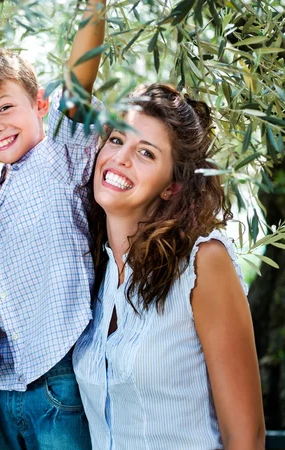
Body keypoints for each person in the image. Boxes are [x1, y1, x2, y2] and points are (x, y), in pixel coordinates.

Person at [72, 83, 265, 449]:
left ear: (172, 187)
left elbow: (247, 437)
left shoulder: (203, 263)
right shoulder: (96, 267)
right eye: (116, 140)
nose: (121, 159)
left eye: (145, 153)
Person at [0, 1, 106, 448]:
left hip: (58, 375)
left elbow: (81, 71)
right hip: (1, 384)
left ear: (40, 104)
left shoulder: (58, 151)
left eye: (5, 108)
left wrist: (94, 9)